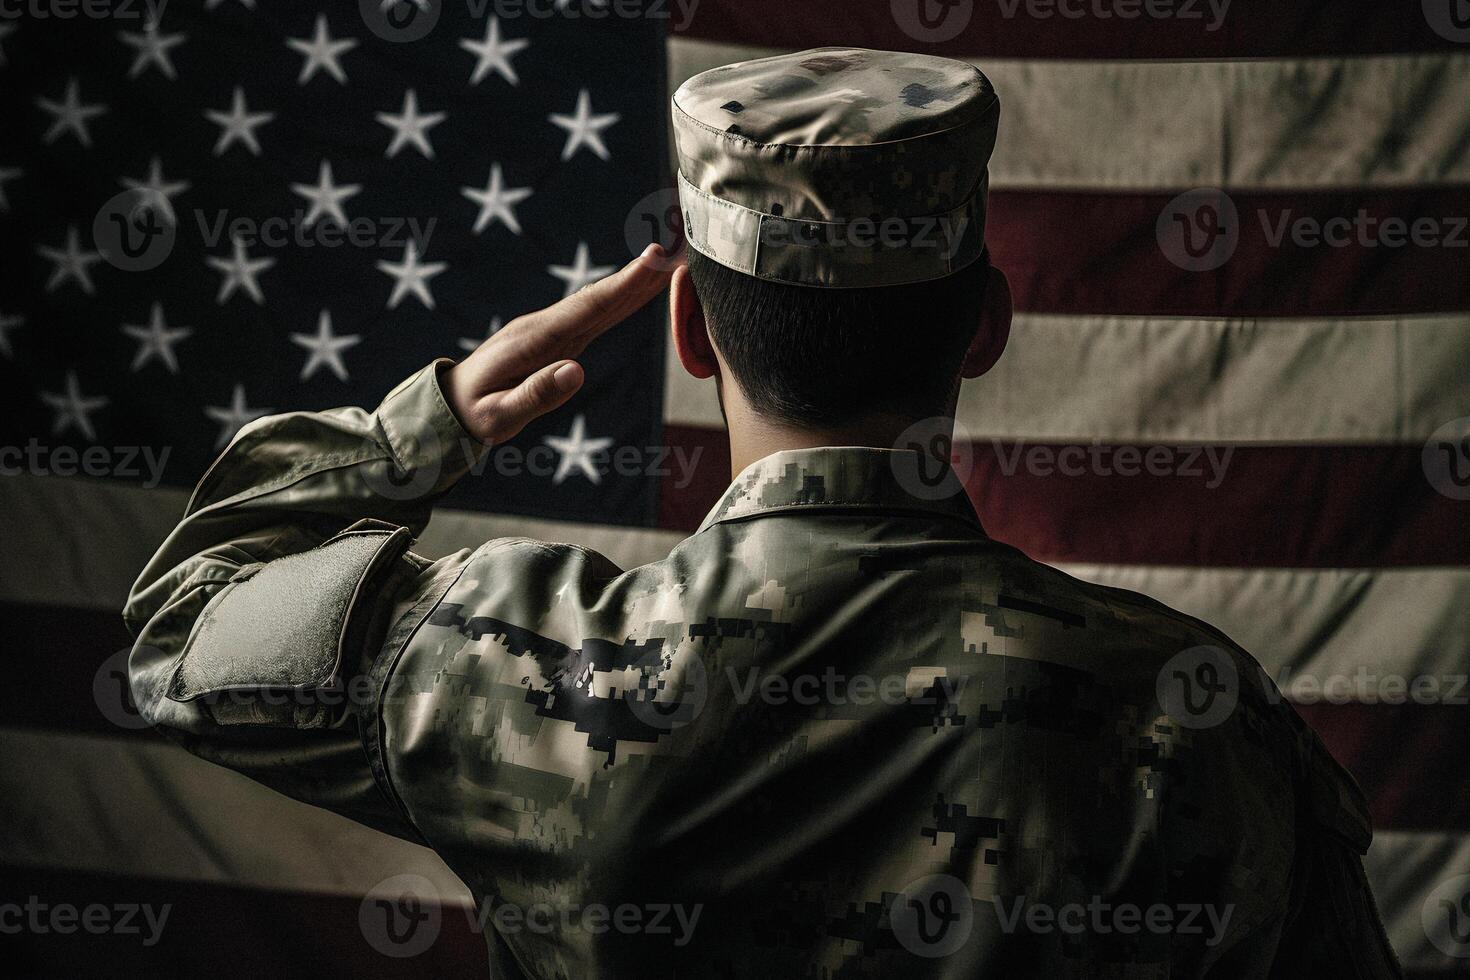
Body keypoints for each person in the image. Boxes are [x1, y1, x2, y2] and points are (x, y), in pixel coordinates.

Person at [124, 47, 1401, 978]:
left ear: (687, 328)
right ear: (987, 327)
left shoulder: (513, 665)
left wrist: (439, 414)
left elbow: (182, 627)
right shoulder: (1192, 711)